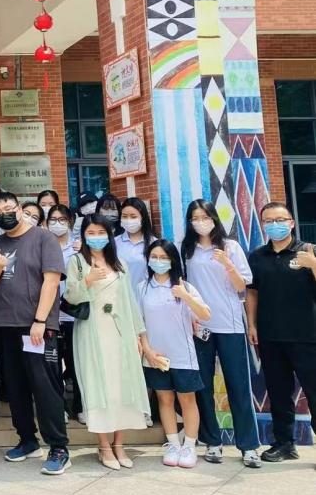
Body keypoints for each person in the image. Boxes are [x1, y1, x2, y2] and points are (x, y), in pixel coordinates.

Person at [0, 192, 70, 475]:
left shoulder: (44, 239)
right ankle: (27, 440)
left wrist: (40, 320)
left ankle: (58, 446)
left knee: (45, 387)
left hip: (36, 327)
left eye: (8, 208)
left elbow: (51, 282)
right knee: (15, 387)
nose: (4, 214)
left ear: (19, 209)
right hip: (4, 326)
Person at [63, 216, 150, 470]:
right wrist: (88, 280)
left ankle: (119, 443)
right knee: (97, 385)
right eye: (91, 232)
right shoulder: (77, 262)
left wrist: (138, 334)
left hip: (120, 330)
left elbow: (129, 301)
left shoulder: (119, 263)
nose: (96, 237)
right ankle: (103, 445)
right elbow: (70, 295)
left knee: (121, 385)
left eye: (101, 232)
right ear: (84, 235)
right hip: (92, 331)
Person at [180, 199, 260, 467]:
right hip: (200, 326)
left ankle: (248, 446)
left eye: (204, 217)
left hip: (230, 325)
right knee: (202, 385)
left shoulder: (230, 247)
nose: (200, 222)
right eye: (195, 218)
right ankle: (212, 441)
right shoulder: (186, 249)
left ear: (214, 218)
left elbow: (241, 286)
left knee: (238, 385)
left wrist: (227, 263)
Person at [246, 202, 316, 464]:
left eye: (280, 220)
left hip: (307, 335)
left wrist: (314, 264)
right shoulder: (257, 256)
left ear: (291, 223)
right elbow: (252, 292)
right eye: (268, 221)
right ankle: (284, 444)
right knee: (278, 393)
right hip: (271, 335)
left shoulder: (308, 251)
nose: (274, 225)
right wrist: (252, 325)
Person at [139, 240, 210, 468]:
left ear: (172, 261)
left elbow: (205, 314)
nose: (158, 261)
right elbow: (138, 324)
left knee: (187, 399)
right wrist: (148, 351)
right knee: (164, 399)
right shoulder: (142, 288)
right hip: (156, 356)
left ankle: (189, 446)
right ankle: (172, 444)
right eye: (154, 257)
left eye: (163, 257)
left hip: (183, 355)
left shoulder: (184, 286)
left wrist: (185, 296)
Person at [47, 205, 83, 421]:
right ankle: (57, 407)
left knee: (77, 363)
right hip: (49, 315)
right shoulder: (42, 245)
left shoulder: (79, 247)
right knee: (52, 365)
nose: (57, 224)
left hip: (73, 315)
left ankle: (80, 406)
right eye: (53, 219)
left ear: (70, 222)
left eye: (62, 219)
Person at [116, 197, 155, 289]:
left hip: (145, 295)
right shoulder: (114, 242)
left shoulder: (153, 243)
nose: (128, 220)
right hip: (121, 295)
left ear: (143, 218)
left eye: (133, 217)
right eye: (124, 216)